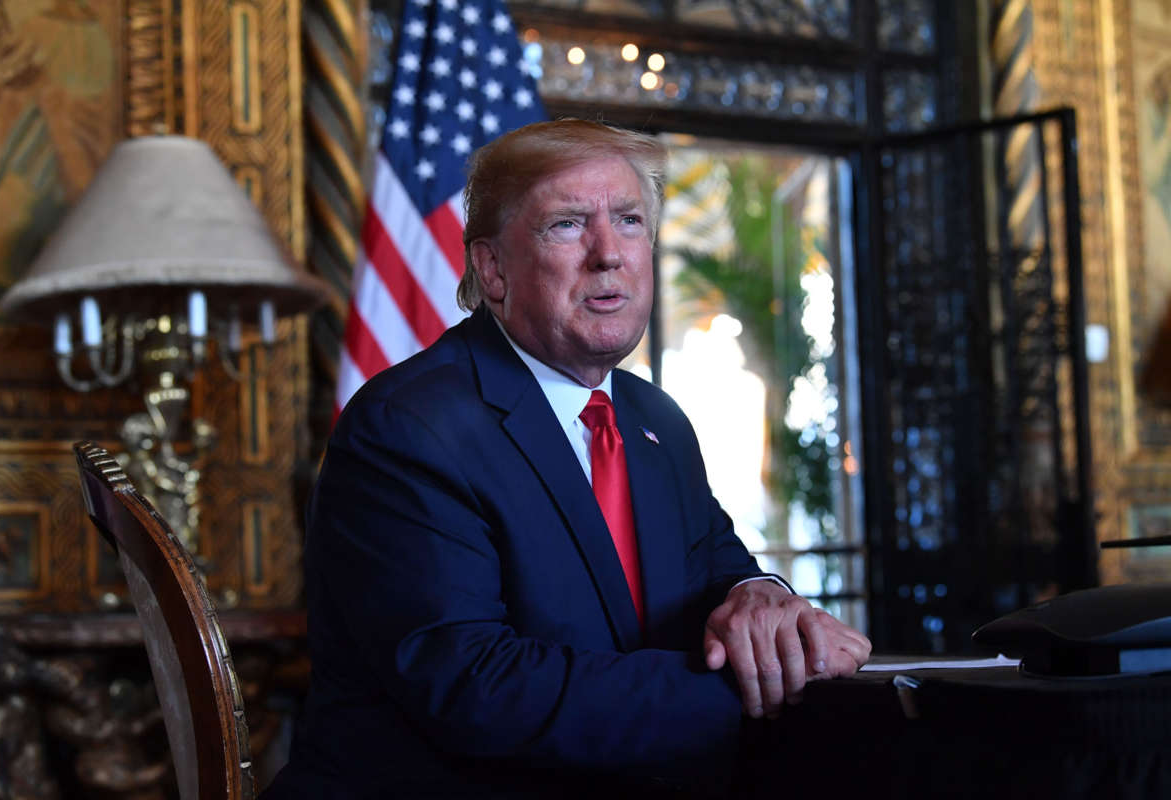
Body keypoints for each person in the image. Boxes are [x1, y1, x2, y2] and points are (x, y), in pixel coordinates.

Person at [265, 119, 871, 798]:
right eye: (567, 224)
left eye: (630, 219)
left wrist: (763, 603)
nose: (608, 252)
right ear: (493, 269)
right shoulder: (406, 428)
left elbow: (721, 570)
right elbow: (477, 689)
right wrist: (758, 685)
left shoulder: (655, 421)